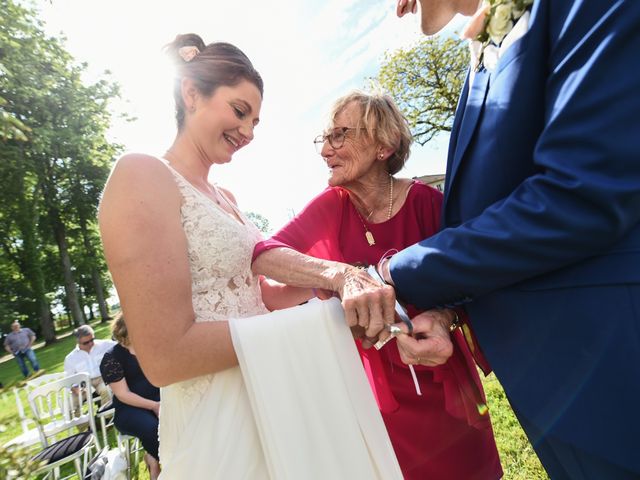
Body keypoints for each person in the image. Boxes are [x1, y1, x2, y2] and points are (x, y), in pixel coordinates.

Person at [98, 34, 398, 479]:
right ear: (191, 93)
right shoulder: (141, 174)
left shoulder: (227, 198)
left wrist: (345, 283)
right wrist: (319, 323)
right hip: (217, 417)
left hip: (274, 394)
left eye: (256, 121)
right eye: (240, 112)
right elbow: (164, 357)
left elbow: (260, 296)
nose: (249, 133)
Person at [368, 1, 640, 478]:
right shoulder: (478, 60)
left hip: (615, 361)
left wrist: (394, 274)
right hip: (552, 386)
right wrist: (449, 310)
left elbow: (582, 195)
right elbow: (496, 212)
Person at [252, 91, 502, 480]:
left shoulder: (427, 203)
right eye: (324, 138)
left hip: (440, 372)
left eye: (339, 136)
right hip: (374, 389)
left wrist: (444, 315)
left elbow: (473, 283)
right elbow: (265, 256)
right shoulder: (331, 204)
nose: (325, 150)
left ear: (383, 146)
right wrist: (338, 275)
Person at [100, 313, 160, 480]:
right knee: (152, 427)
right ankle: (169, 466)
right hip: (129, 409)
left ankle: (152, 458)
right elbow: (123, 394)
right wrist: (154, 406)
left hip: (160, 399)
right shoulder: (111, 358)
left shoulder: (150, 347)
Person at [64, 324, 115, 407]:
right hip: (83, 384)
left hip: (102, 378)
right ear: (78, 342)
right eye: (86, 342)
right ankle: (82, 420)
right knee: (70, 403)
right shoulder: (70, 358)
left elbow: (121, 344)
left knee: (106, 389)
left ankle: (108, 417)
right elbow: (69, 379)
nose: (90, 343)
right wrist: (75, 388)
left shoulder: (105, 345)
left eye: (92, 340)